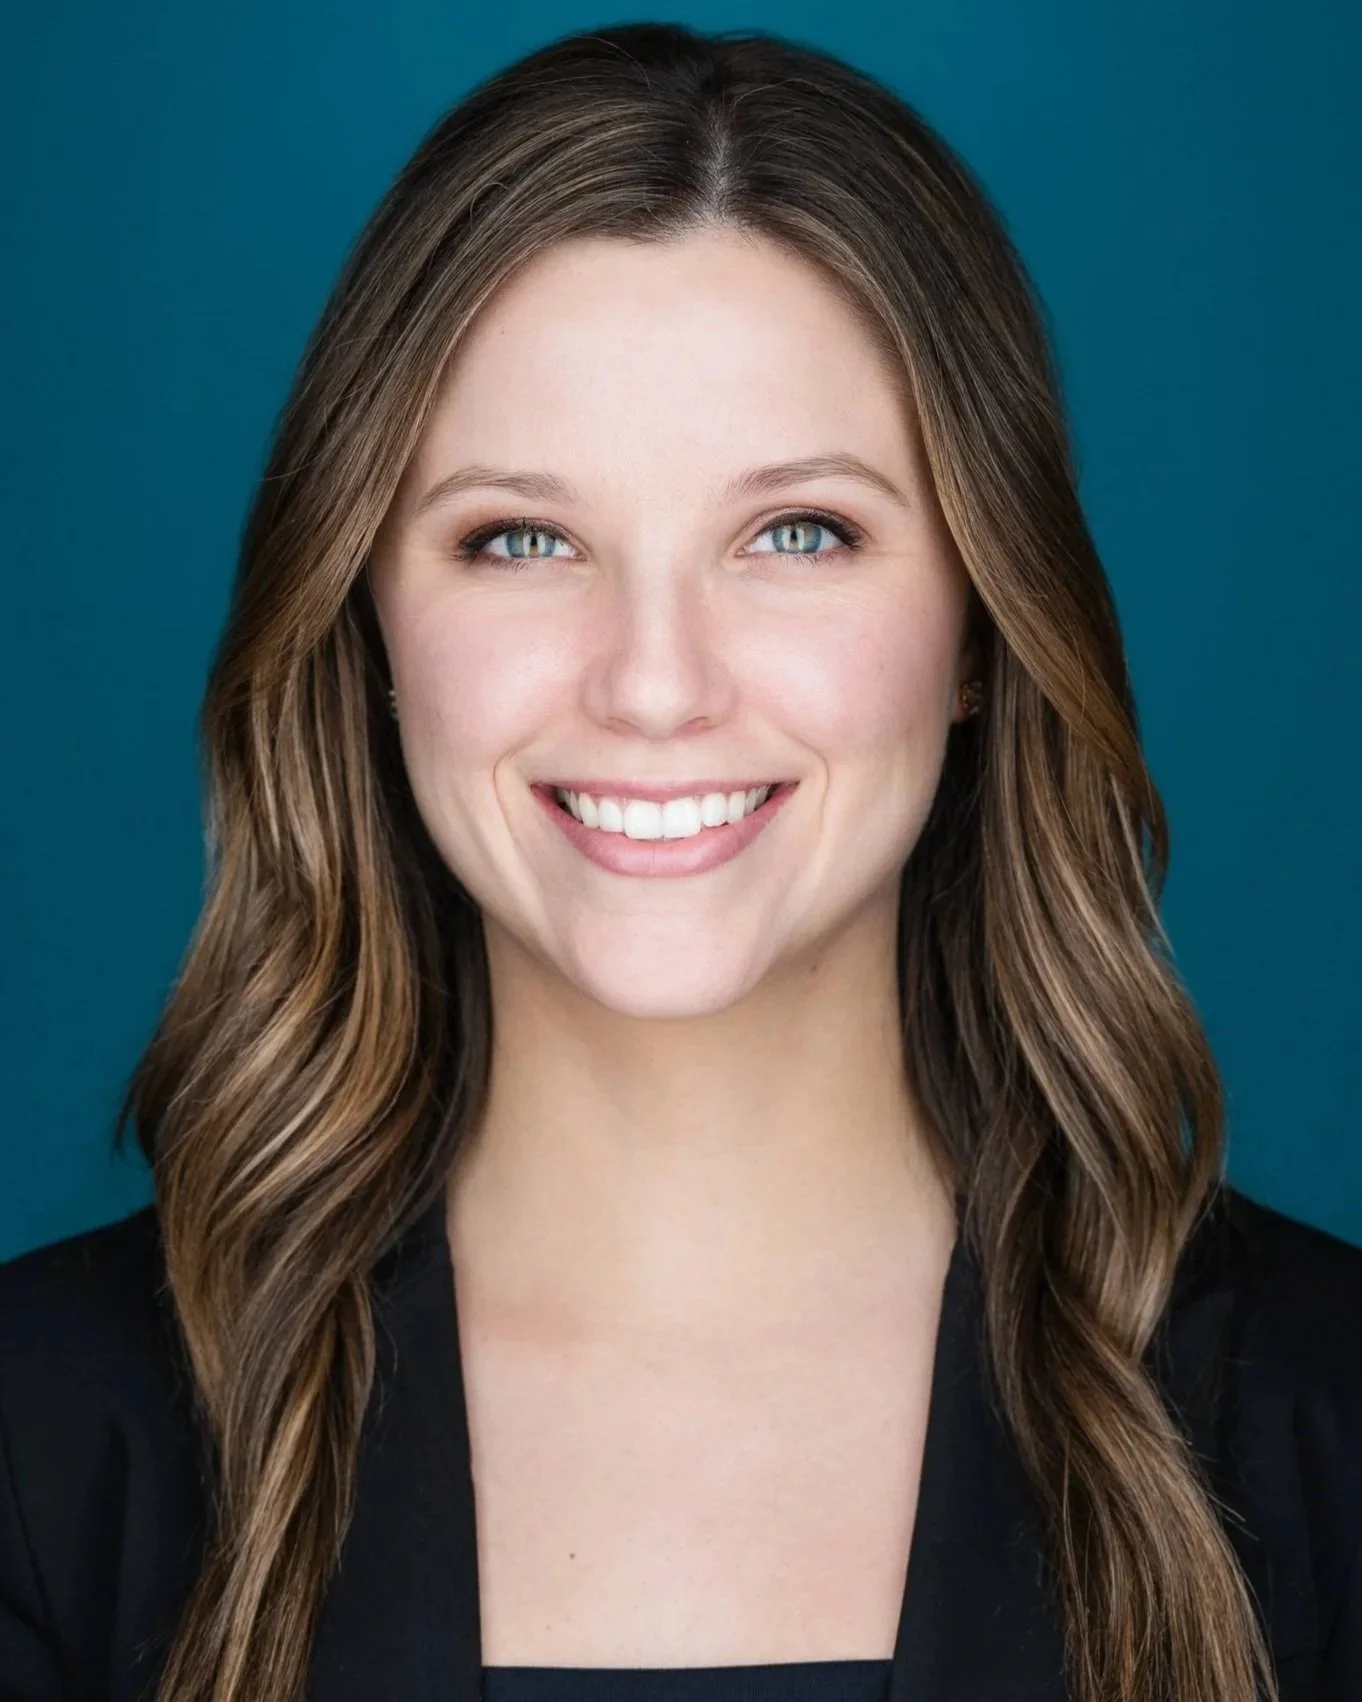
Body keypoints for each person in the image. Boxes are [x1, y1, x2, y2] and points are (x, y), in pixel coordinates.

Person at [1, 21, 1358, 1702]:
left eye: (796, 533)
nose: (653, 683)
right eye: (520, 537)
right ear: (368, 625)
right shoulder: (48, 1446)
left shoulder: (1323, 1422)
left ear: (978, 630)